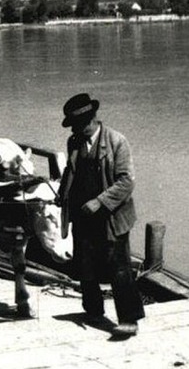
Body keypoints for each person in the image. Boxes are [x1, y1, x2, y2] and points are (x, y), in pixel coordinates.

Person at [57, 93, 144, 337]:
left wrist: (100, 202)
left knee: (119, 267)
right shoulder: (73, 142)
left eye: (79, 124)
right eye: (73, 125)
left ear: (92, 119)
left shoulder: (117, 141)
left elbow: (127, 181)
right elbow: (69, 171)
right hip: (82, 215)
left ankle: (129, 319)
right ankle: (93, 309)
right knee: (84, 264)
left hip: (111, 216)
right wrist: (62, 194)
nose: (76, 129)